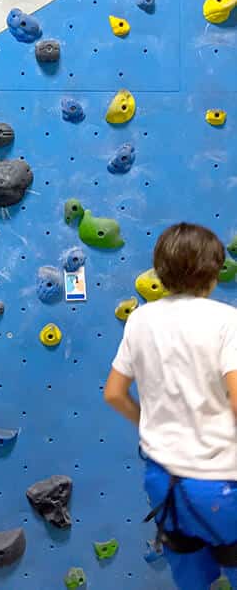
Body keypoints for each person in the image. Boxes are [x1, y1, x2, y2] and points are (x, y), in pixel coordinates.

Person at [104, 223, 237, 590]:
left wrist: (150, 422)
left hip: (165, 483)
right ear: (213, 271)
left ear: (160, 270)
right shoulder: (227, 321)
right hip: (222, 482)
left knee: (191, 581)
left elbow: (114, 392)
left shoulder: (141, 320)